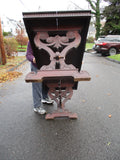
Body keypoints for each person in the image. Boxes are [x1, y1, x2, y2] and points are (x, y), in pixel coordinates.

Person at [26, 41, 53, 114]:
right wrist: (33, 58)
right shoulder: (31, 41)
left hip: (47, 65)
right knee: (37, 85)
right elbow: (28, 54)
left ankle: (45, 98)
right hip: (36, 66)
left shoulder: (48, 39)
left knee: (46, 82)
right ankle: (37, 106)